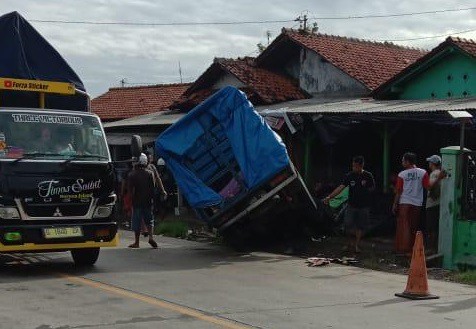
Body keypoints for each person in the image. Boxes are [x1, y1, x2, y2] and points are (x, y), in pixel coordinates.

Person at [324, 156, 375, 253]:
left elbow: (372, 188)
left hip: (363, 206)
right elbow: (341, 187)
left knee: (360, 226)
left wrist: (365, 190)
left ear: (361, 166)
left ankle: (356, 245)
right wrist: (329, 197)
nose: (354, 168)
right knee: (347, 224)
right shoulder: (349, 176)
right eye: (353, 166)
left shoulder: (368, 176)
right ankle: (349, 243)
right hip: (351, 205)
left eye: (355, 166)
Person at [392, 152, 429, 255]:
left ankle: (402, 249)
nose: (402, 162)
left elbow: (399, 191)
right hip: (417, 203)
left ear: (407, 162)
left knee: (403, 226)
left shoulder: (402, 174)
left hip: (404, 202)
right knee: (413, 226)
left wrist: (395, 204)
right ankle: (412, 249)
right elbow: (427, 187)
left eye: (403, 160)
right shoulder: (423, 172)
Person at [127, 153, 158, 249]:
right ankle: (151, 237)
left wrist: (131, 201)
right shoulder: (150, 173)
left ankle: (137, 242)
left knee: (137, 222)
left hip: (137, 202)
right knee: (150, 221)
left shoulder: (132, 174)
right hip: (148, 201)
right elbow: (153, 188)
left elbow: (130, 190)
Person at [425, 155, 445, 253]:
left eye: (429, 162)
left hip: (432, 204)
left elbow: (429, 187)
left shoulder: (434, 174)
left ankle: (431, 249)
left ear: (432, 164)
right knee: (436, 227)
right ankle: (435, 248)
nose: (429, 164)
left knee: (431, 227)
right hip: (439, 203)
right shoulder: (440, 173)